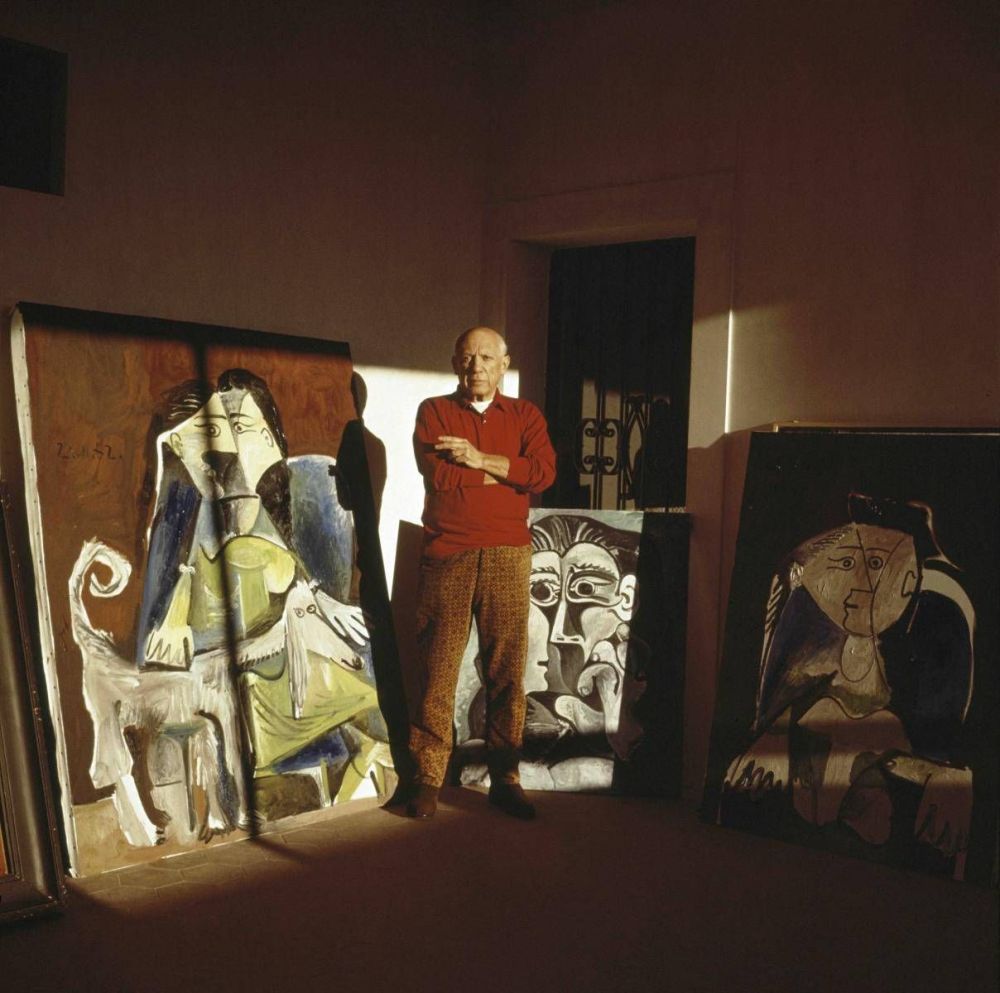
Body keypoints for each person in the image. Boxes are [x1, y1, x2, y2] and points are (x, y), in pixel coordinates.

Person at [400, 326, 556, 819]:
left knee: (506, 670)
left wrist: (478, 459)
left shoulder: (525, 415)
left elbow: (544, 473)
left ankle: (505, 778)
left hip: (509, 552)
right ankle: (427, 778)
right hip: (449, 552)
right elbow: (441, 476)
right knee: (438, 668)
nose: (477, 367)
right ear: (455, 363)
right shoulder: (434, 412)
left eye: (487, 358)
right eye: (468, 358)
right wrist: (507, 473)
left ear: (504, 364)